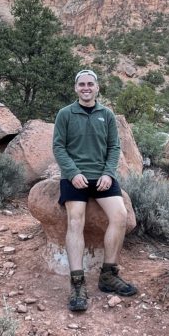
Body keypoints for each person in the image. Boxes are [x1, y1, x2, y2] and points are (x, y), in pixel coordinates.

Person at [52, 69, 137, 312]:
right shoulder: (65, 114)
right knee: (75, 220)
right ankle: (77, 283)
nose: (86, 88)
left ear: (97, 88)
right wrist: (73, 172)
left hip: (103, 177)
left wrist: (109, 173)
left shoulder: (106, 115)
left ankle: (108, 275)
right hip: (75, 177)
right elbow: (58, 147)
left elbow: (114, 147)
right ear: (76, 88)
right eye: (82, 84)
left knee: (120, 216)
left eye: (90, 84)